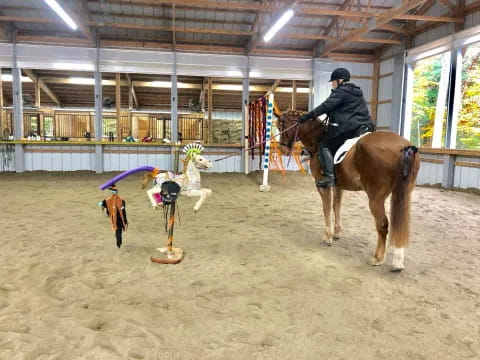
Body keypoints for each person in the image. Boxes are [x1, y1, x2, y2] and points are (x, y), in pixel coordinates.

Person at [298, 68, 374, 187]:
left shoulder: (340, 92)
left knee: (324, 145)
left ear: (340, 80)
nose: (332, 84)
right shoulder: (356, 92)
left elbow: (325, 106)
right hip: (365, 127)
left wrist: (306, 117)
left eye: (333, 81)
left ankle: (329, 177)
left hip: (349, 128)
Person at [99, 184, 128, 248]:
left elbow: (101, 203)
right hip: (120, 218)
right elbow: (123, 211)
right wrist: (125, 221)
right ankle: (119, 243)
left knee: (117, 231)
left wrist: (102, 206)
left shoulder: (109, 200)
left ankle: (118, 243)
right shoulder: (121, 200)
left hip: (115, 219)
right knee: (119, 231)